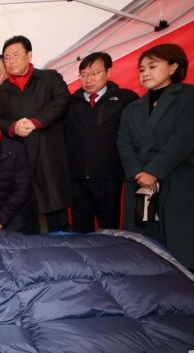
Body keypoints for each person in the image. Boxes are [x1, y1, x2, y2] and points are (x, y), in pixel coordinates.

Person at [117, 43, 194, 269]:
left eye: (152, 66)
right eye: (141, 69)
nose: (145, 73)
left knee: (182, 249)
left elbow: (185, 138)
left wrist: (153, 171)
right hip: (140, 181)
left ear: (173, 67)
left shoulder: (193, 96)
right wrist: (137, 173)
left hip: (179, 176)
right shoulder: (133, 108)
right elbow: (123, 143)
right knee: (145, 249)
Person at [0, 35, 71, 233]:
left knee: (56, 218)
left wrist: (36, 121)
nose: (11, 61)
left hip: (49, 157)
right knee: (25, 218)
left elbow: (62, 101)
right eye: (7, 57)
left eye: (16, 55)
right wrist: (13, 127)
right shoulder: (0, 92)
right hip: (20, 159)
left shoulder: (50, 78)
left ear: (29, 55)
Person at [64, 52, 138, 232]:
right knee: (81, 231)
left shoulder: (125, 99)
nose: (88, 79)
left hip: (109, 175)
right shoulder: (69, 103)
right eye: (83, 75)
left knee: (109, 228)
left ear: (108, 72)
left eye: (94, 73)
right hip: (77, 177)